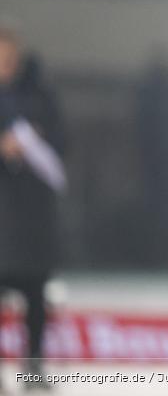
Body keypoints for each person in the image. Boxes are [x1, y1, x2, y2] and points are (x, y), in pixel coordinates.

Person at [0, 27, 64, 393]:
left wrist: (36, 139)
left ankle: (34, 368)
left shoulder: (41, 96)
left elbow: (62, 142)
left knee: (35, 298)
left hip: (32, 218)